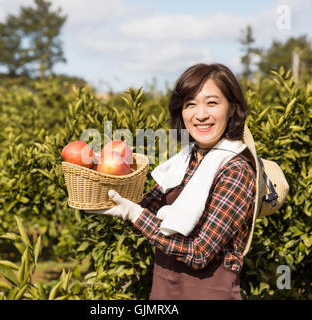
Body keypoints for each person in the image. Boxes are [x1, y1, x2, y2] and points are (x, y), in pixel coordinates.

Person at [87, 63, 257, 300]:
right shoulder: (182, 162)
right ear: (181, 112)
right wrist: (106, 180)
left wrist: (132, 212)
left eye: (212, 102)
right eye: (190, 104)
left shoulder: (235, 170)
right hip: (164, 292)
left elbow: (199, 253)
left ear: (232, 109)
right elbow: (143, 217)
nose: (200, 114)